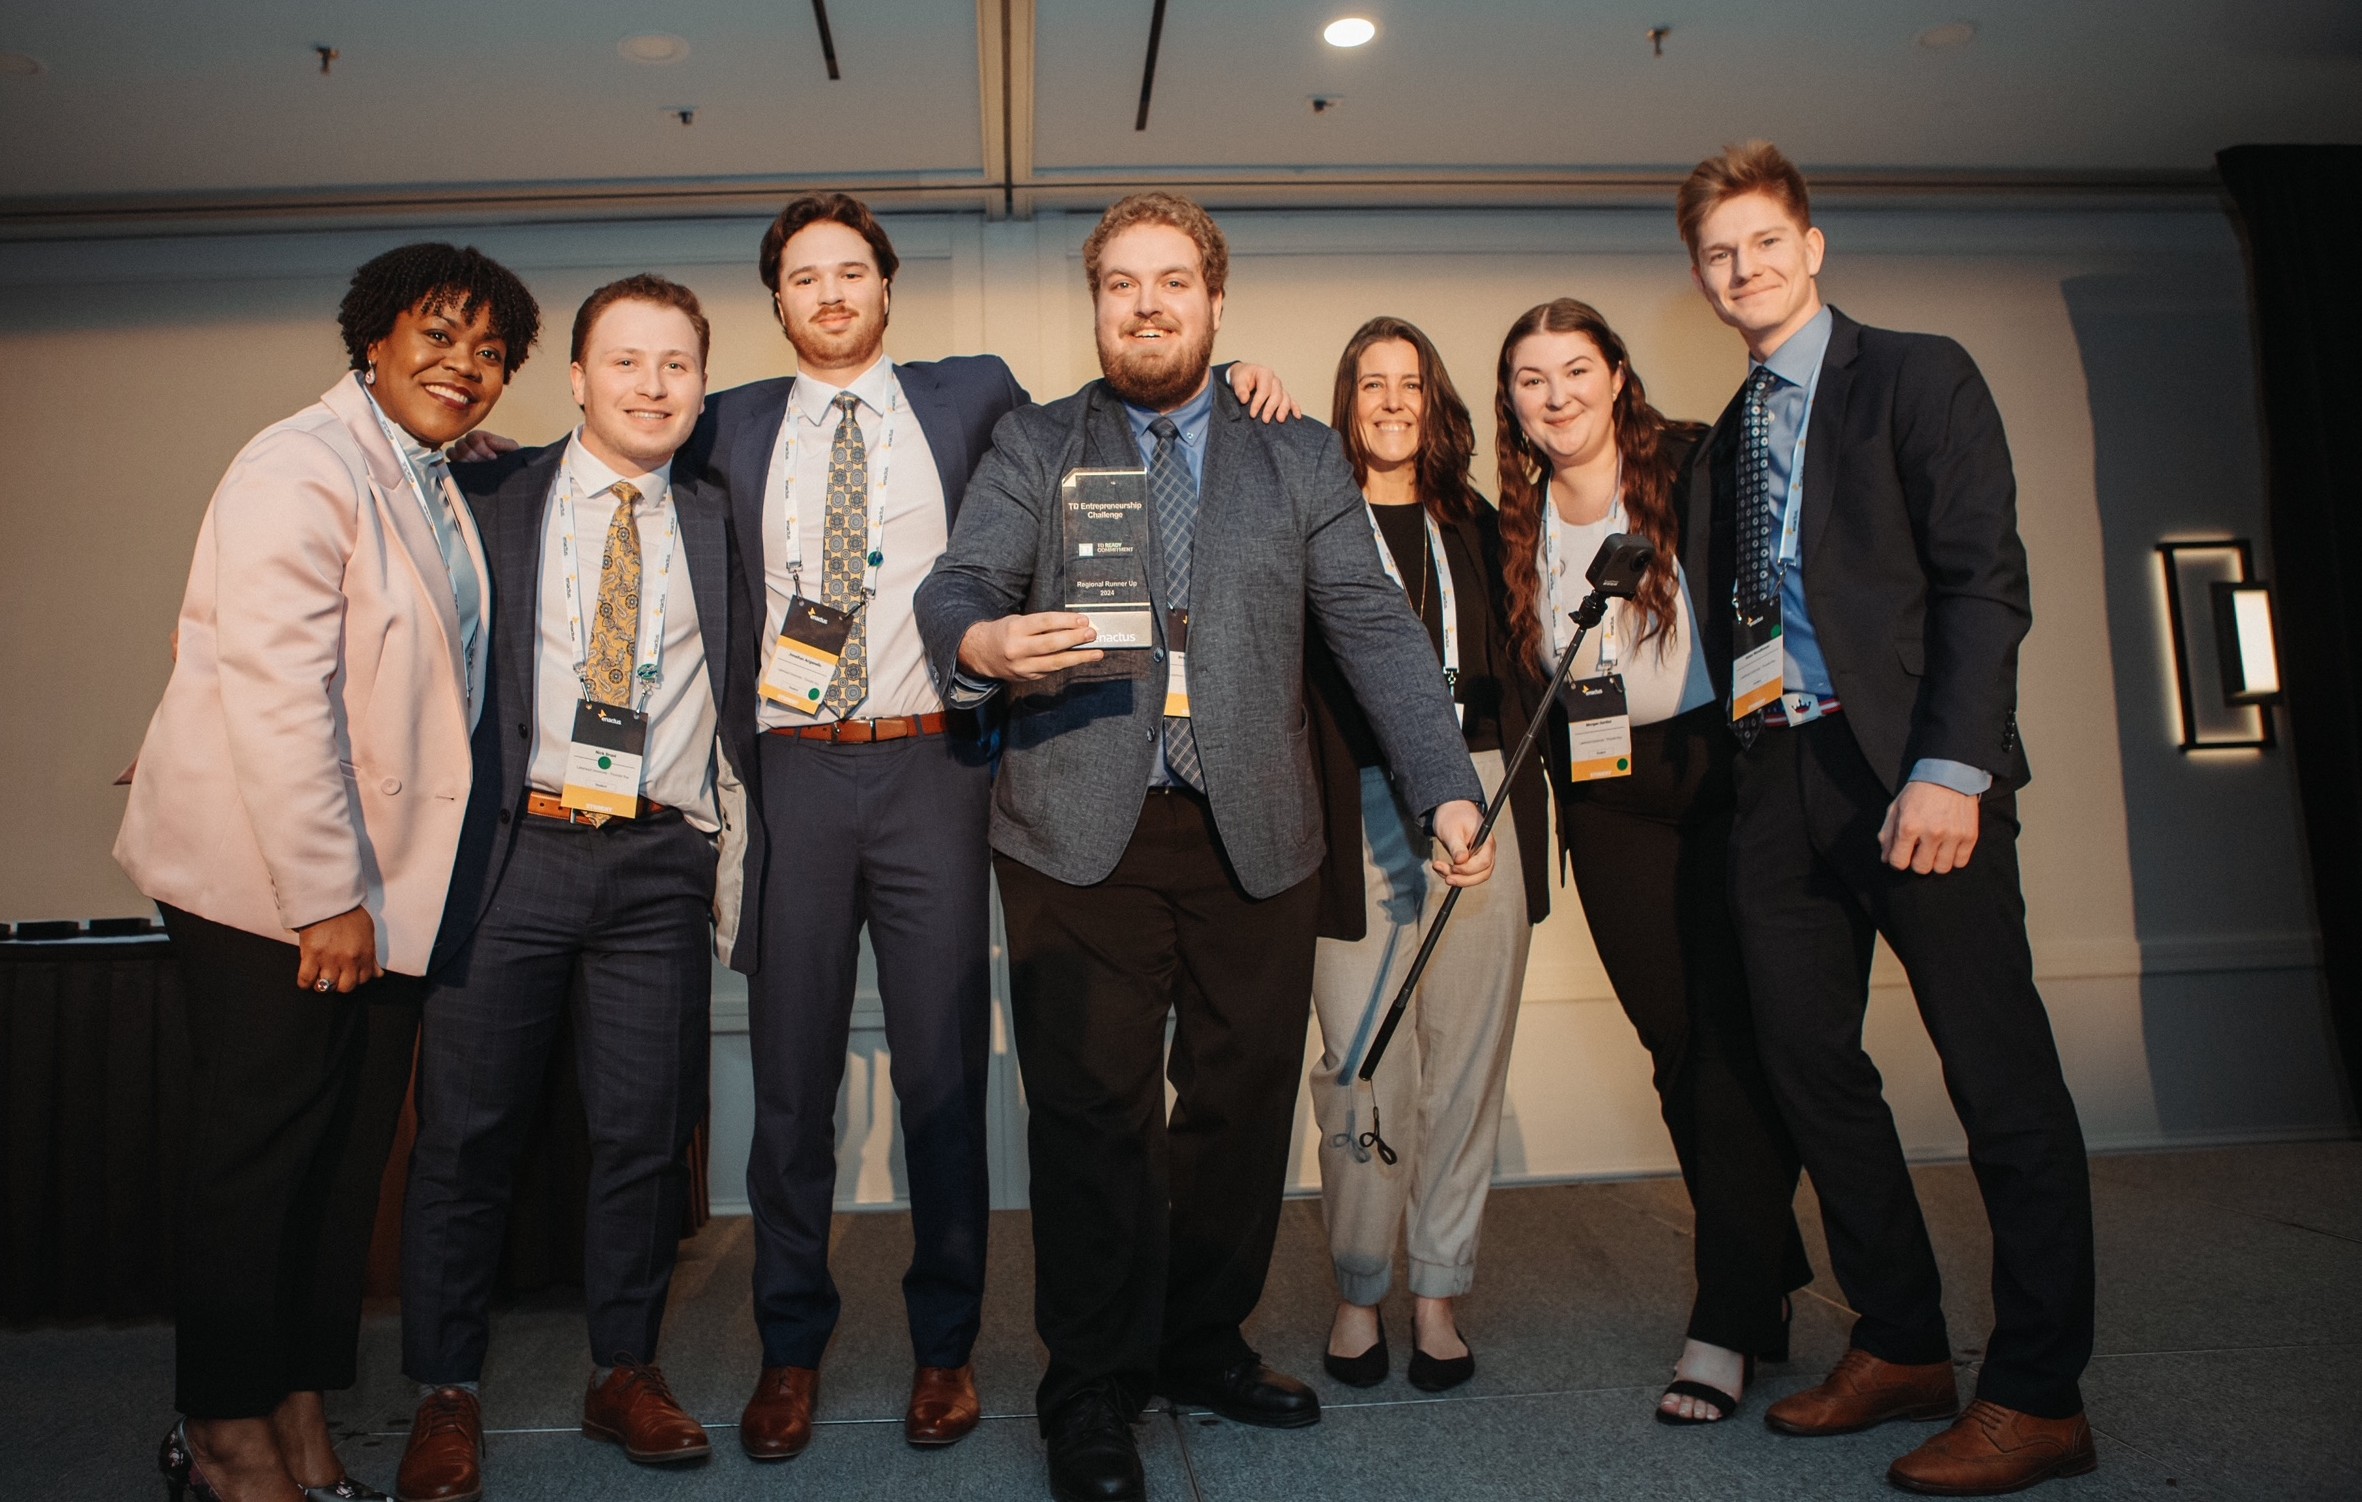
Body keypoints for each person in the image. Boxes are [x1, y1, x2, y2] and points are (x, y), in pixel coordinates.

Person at [667, 193, 1299, 1462]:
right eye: (805, 276)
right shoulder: (724, 422)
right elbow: (603, 458)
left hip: (935, 769)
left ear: (887, 287)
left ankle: (944, 1345)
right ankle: (790, 1346)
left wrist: (1234, 381)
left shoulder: (972, 398)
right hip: (794, 770)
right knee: (789, 1084)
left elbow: (1126, 401)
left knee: (943, 1076)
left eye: (852, 270)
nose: (831, 292)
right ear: (776, 300)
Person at [915, 192, 1492, 1502]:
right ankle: (1090, 1384)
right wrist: (980, 641)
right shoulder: (1036, 441)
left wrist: (1446, 788)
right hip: (1077, 835)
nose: (1147, 304)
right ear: (1096, 304)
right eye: (1121, 283)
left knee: (1239, 1111)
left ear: (1215, 301)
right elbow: (961, 582)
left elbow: (1373, 625)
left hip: (1256, 831)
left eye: (1172, 281)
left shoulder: (1295, 454)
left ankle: (1200, 1339)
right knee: (1092, 1117)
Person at [1676, 141, 2096, 1494]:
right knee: (1807, 1067)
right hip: (1778, 780)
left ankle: (2037, 1393)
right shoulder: (1721, 443)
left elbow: (1982, 579)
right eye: (1717, 253)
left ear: (1811, 246)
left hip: (1911, 770)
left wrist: (1951, 766)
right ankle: (1902, 1338)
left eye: (1762, 241)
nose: (1742, 268)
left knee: (1998, 1078)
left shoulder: (1917, 374)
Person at [116, 242, 537, 1502]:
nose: (464, 367)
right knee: (258, 1163)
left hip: (388, 892)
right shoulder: (297, 464)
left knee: (341, 1169)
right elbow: (278, 693)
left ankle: (298, 1408)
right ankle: (222, 1435)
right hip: (281, 892)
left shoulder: (430, 473)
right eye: (439, 336)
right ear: (373, 338)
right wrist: (326, 898)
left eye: (490, 352)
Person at [393, 275, 761, 1501]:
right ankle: (446, 1389)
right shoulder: (487, 494)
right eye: (626, 361)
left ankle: (624, 1367)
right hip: (513, 852)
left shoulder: (724, 513)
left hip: (660, 863)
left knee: (644, 1137)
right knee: (466, 1136)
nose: (652, 385)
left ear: (701, 386)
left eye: (676, 365)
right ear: (577, 378)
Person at [1495, 297, 1813, 1424]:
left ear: (1618, 375)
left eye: (1576, 370)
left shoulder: (1695, 466)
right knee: (1678, 1046)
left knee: (1736, 1040)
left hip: (1725, 776)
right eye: (1531, 380)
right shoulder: (1514, 519)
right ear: (1511, 405)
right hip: (1608, 795)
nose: (1557, 396)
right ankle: (1761, 1266)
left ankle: (1726, 1314)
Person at [1304, 317, 1549, 1395]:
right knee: (1362, 1065)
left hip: (1479, 795)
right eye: (1372, 384)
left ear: (1434, 401)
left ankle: (1439, 1290)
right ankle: (1360, 1286)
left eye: (1410, 383)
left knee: (1464, 1067)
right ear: (1347, 402)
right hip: (1351, 805)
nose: (1393, 401)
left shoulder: (1482, 526)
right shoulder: (1316, 522)